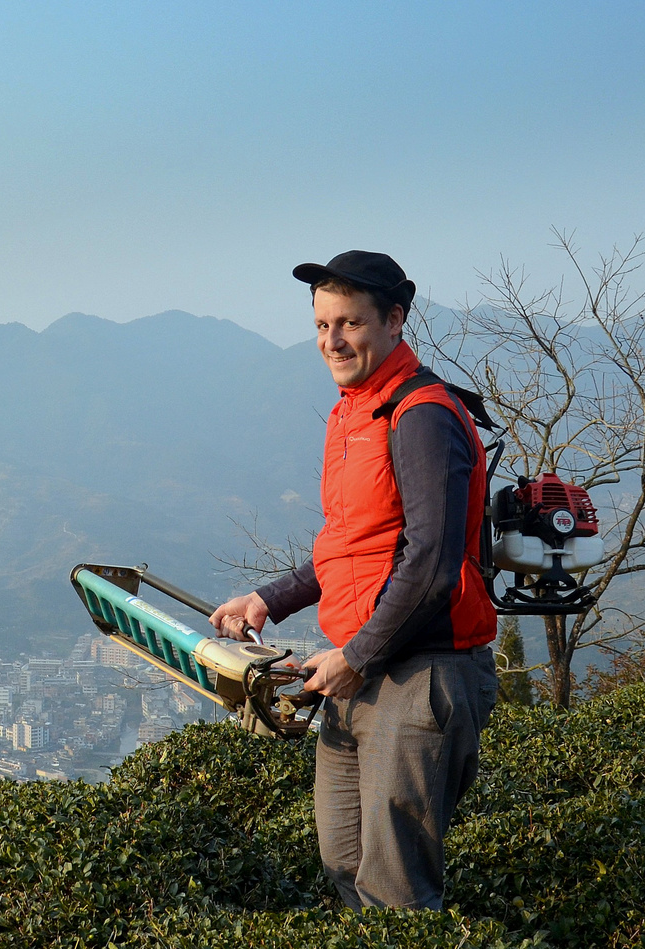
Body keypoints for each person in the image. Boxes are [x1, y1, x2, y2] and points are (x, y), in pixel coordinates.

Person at [210, 250, 498, 911]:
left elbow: (428, 562)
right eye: (320, 325)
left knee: (394, 886)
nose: (331, 341)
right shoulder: (355, 412)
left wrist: (360, 654)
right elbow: (354, 546)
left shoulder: (418, 414)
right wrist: (267, 598)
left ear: (394, 320)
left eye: (349, 323)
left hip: (418, 671)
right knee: (344, 859)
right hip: (360, 669)